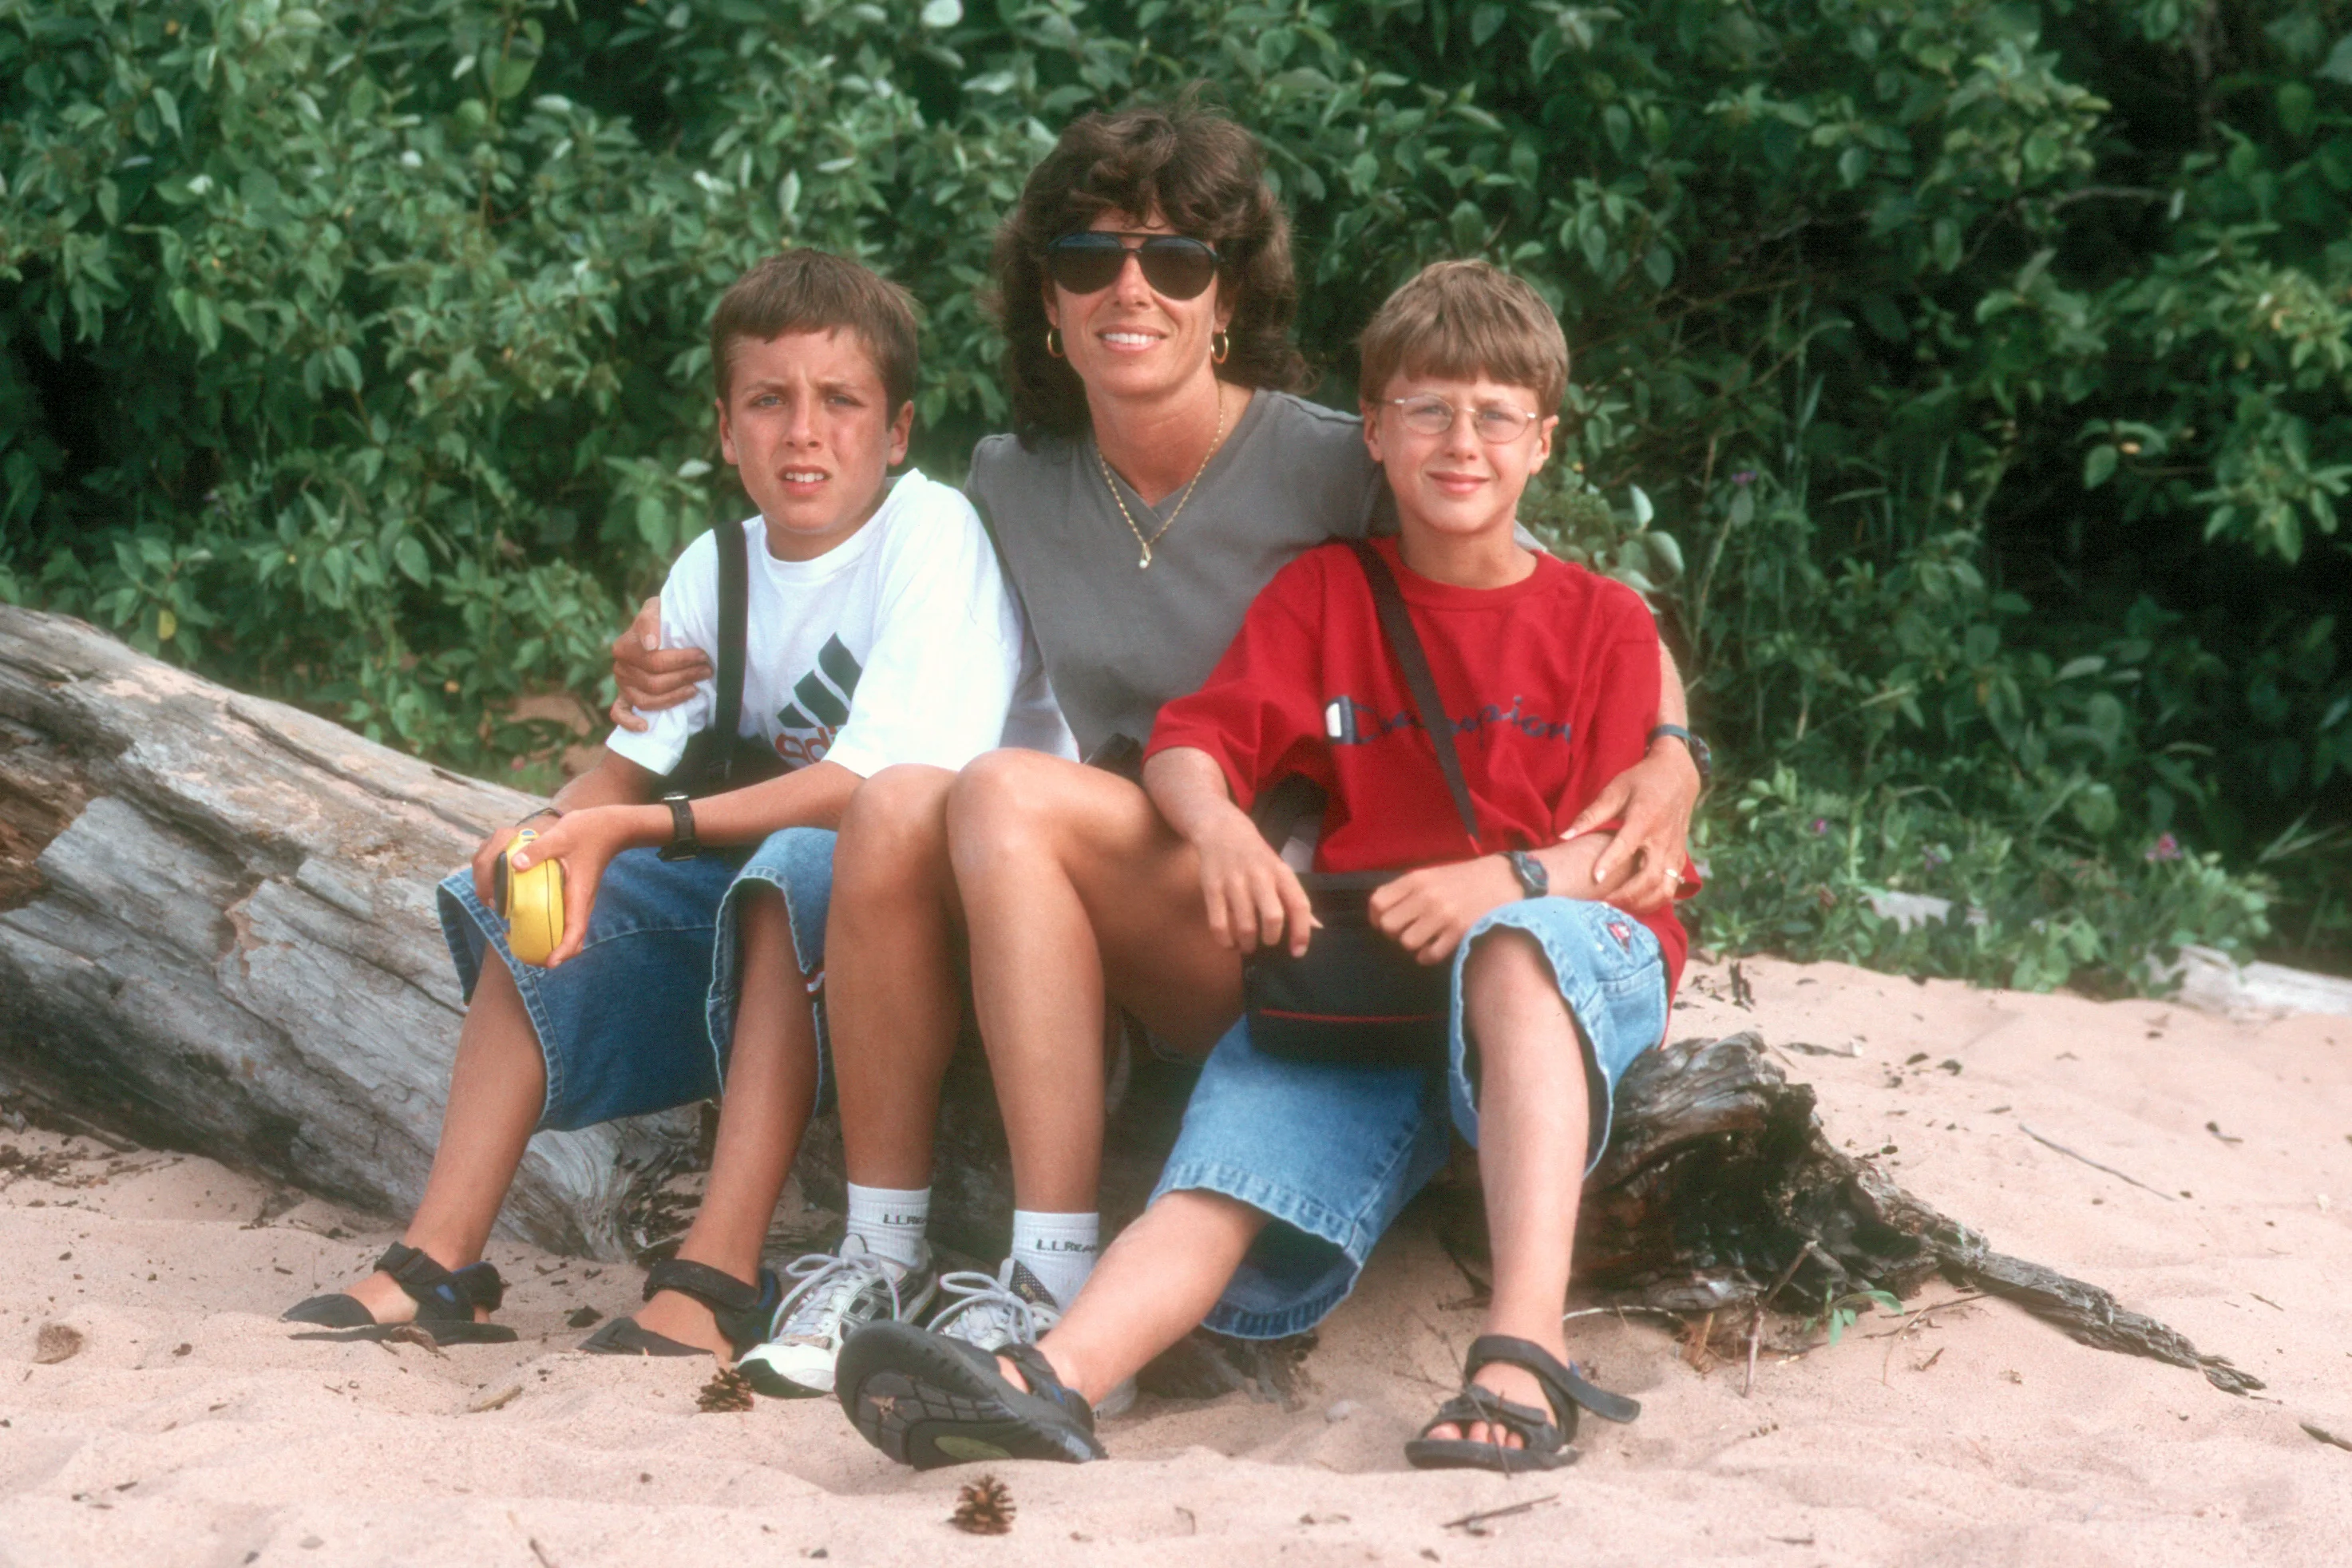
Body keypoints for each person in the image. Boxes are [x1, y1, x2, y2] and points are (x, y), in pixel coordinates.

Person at [609, 97, 1705, 1400]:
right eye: (1088, 259)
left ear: (1226, 298)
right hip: (1122, 882)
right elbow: (845, 571)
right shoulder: (1014, 482)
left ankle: (1053, 1264)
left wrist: (1673, 749)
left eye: (1175, 260)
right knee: (902, 800)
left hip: (1304, 913)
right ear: (1049, 299)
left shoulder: (1335, 462)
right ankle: (878, 1253)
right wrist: (680, 630)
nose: (1131, 288)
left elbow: (1525, 581)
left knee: (1004, 795)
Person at [832, 259, 1689, 1472]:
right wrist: (1223, 828)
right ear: (1373, 436)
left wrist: (1509, 884)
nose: (1460, 442)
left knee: (1509, 955)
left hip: (1562, 945)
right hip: (1373, 975)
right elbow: (1192, 745)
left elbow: (1635, 854)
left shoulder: (1603, 620)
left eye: (1494, 416)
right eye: (1425, 411)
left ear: (1542, 443)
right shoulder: (1329, 590)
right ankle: (1051, 1377)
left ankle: (1521, 1353)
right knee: (1226, 1166)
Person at [282, 249, 1055, 1358]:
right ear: (723, 427)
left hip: (926, 919)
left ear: (894, 432)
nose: (803, 432)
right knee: (531, 883)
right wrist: (550, 828)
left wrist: (637, 828)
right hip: (778, 891)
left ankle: (717, 1269)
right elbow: (626, 774)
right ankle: (438, 1259)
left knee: (782, 872)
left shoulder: (928, 539)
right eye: (767, 401)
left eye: (840, 402)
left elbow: (869, 786)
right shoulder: (716, 570)